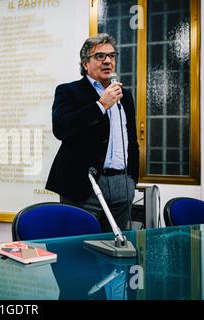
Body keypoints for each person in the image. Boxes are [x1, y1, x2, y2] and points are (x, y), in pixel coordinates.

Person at [46, 33, 139, 232]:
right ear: (85, 63)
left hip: (121, 184)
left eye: (112, 56)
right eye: (100, 56)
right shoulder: (68, 91)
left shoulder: (125, 95)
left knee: (115, 248)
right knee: (79, 248)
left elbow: (131, 139)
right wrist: (101, 105)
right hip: (84, 186)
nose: (108, 61)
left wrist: (132, 180)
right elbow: (61, 128)